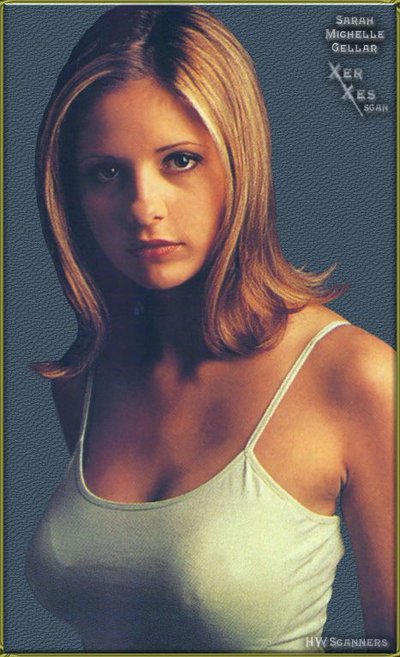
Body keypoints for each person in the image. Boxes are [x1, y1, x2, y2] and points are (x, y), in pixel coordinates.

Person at [25, 5, 395, 653]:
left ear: (239, 162)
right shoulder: (85, 380)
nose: (144, 207)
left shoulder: (355, 377)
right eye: (107, 172)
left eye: (180, 160)